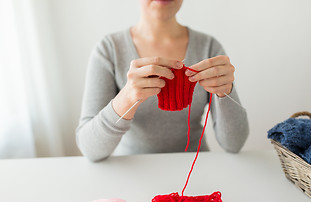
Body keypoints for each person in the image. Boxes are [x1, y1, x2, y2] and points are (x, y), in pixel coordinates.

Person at [76, 0, 249, 162]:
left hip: (195, 167)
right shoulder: (109, 50)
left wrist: (226, 91)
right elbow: (90, 150)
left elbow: (235, 144)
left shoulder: (209, 47)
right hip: (132, 170)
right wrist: (126, 98)